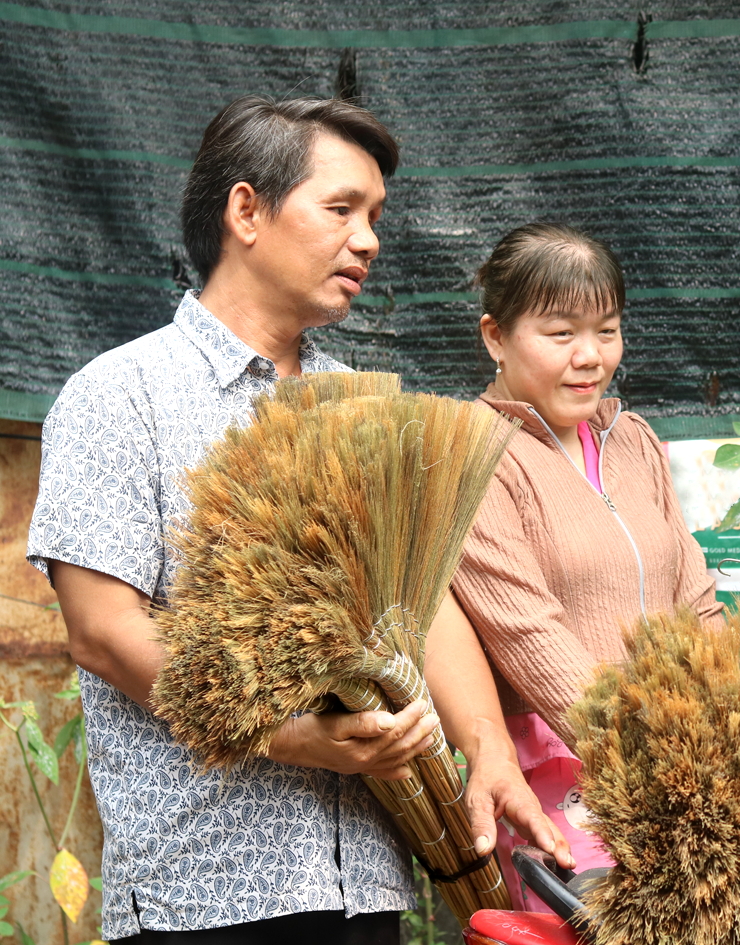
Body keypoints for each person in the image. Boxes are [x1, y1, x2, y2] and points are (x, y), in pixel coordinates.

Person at [27, 95, 565, 945]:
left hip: (366, 889)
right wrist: (288, 736)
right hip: (205, 893)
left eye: (375, 216)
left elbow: (422, 602)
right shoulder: (120, 395)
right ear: (246, 211)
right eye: (341, 208)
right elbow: (102, 630)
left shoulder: (360, 405)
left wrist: (488, 748)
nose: (368, 240)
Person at [449, 222, 724, 911]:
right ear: (495, 337)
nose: (590, 356)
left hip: (688, 758)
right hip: (566, 771)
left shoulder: (632, 438)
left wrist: (735, 727)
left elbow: (695, 596)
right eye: (560, 333)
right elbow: (526, 634)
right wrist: (652, 756)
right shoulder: (471, 454)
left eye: (607, 330)